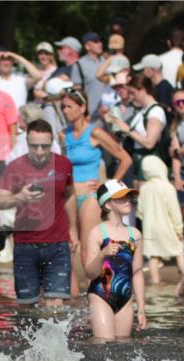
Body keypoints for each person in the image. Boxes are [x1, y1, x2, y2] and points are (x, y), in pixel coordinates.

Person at [0, 119, 76, 307]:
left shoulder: (64, 165)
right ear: (27, 143)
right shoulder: (15, 166)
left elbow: (70, 195)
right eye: (34, 146)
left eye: (45, 146)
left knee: (56, 304)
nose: (39, 151)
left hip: (58, 244)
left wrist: (74, 228)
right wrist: (20, 197)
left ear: (52, 143)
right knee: (27, 308)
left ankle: (55, 338)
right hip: (25, 245)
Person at [61, 88, 130, 262]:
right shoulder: (64, 134)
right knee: (68, 250)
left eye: (69, 107)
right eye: (63, 107)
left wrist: (108, 186)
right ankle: (73, 290)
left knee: (88, 252)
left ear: (82, 108)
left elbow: (125, 159)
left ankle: (97, 289)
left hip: (88, 199)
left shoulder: (95, 133)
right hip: (68, 198)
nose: (64, 111)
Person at [84, 179, 146, 339]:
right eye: (121, 198)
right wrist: (102, 254)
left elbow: (137, 273)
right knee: (103, 345)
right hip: (100, 296)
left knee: (122, 349)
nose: (127, 201)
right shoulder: (97, 233)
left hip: (125, 299)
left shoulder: (135, 234)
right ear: (107, 204)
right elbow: (90, 273)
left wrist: (141, 308)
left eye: (128, 197)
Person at [137, 155, 184, 286]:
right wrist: (179, 229)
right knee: (178, 250)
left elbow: (140, 211)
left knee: (153, 255)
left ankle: (155, 281)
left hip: (150, 229)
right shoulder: (167, 187)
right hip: (166, 227)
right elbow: (174, 210)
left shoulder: (144, 188)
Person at [72, 33, 105, 117]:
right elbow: (76, 90)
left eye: (100, 41)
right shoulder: (79, 64)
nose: (100, 44)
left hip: (109, 113)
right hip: (91, 115)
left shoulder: (106, 61)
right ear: (87, 46)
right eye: (95, 42)